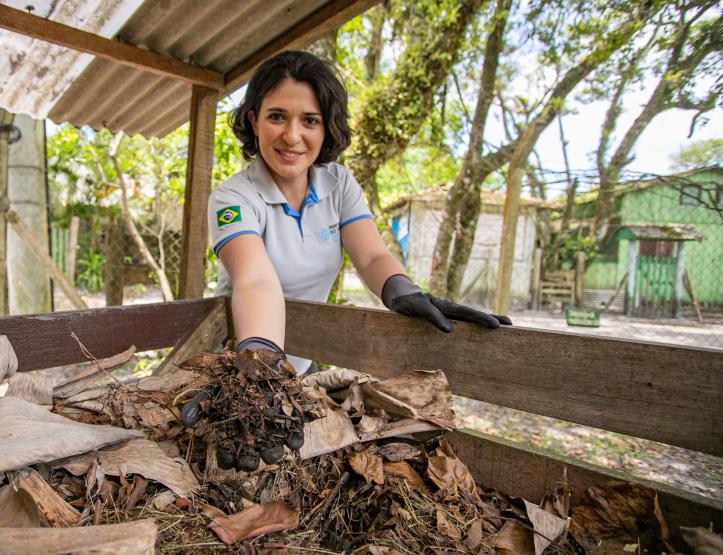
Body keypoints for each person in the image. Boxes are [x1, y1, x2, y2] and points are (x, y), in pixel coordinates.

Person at [182, 51, 509, 471]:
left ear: (326, 127)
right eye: (277, 117)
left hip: (299, 362)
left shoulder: (338, 183)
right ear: (252, 120)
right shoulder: (233, 197)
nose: (292, 136)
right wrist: (257, 373)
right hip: (243, 363)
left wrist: (400, 287)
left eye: (310, 121)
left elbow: (370, 253)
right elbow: (256, 281)